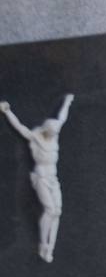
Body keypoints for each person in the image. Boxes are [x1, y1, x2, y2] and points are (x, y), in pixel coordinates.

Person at [1, 94, 75, 264]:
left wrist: (67, 102)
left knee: (57, 212)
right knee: (49, 209)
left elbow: (62, 118)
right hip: (40, 177)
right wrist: (7, 112)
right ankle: (43, 244)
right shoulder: (35, 137)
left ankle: (50, 248)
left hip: (53, 178)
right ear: (46, 130)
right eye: (52, 132)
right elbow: (19, 127)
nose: (54, 134)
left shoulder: (54, 134)